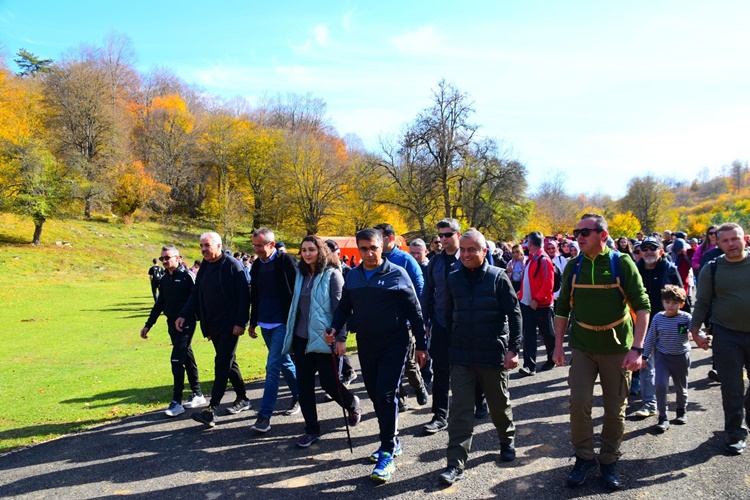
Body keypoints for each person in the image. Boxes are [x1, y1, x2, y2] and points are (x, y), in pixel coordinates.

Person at [553, 213, 650, 490]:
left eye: (585, 232)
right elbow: (562, 308)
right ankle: (584, 458)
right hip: (583, 346)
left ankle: (609, 461)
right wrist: (558, 345)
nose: (578, 237)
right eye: (577, 232)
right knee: (579, 403)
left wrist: (637, 348)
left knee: (615, 409)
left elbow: (642, 305)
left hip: (617, 348)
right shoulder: (574, 265)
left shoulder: (622, 263)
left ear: (603, 235)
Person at [329, 228, 427, 482]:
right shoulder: (353, 276)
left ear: (381, 246)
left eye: (373, 247)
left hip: (394, 343)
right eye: (364, 249)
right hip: (366, 343)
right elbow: (344, 307)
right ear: (358, 250)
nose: (369, 253)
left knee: (385, 394)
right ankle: (393, 441)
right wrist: (334, 327)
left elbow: (415, 311)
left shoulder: (397, 273)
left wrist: (422, 345)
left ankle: (387, 452)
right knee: (374, 394)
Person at [438, 229, 522, 485]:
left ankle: (506, 441)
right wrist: (450, 347)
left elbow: (515, 314)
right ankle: (455, 463)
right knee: (460, 411)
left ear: (484, 251)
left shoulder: (498, 277)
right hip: (462, 357)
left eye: (472, 250)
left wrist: (514, 349)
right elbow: (449, 314)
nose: (466, 254)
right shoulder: (453, 278)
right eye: (463, 250)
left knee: (499, 405)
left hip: (491, 355)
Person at [282, 236, 361, 448]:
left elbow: (341, 309)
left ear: (321, 251)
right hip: (301, 338)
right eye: (303, 250)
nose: (307, 254)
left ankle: (351, 403)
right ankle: (312, 430)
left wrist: (340, 338)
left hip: (326, 339)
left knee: (329, 383)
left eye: (311, 249)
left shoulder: (332, 274)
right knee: (304, 386)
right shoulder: (300, 274)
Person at [176, 232, 251, 428]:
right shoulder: (205, 266)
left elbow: (244, 295)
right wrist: (184, 314)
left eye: (207, 245)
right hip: (213, 324)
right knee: (229, 362)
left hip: (231, 324)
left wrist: (241, 322)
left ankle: (211, 409)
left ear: (218, 245)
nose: (203, 249)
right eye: (201, 246)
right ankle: (243, 398)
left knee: (222, 362)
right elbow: (196, 294)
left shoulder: (232, 265)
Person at [692, 223, 750, 455]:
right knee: (732, 386)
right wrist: (695, 330)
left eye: (735, 239)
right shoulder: (712, 268)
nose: (731, 244)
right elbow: (702, 302)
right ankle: (735, 433)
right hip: (726, 334)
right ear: (718, 243)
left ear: (744, 238)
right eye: (725, 241)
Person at [141, 245, 205, 417]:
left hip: (186, 322)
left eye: (167, 257)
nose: (164, 261)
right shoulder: (164, 279)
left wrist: (205, 325)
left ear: (178, 258)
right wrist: (148, 325)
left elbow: (198, 299)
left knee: (176, 359)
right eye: (162, 258)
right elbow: (160, 304)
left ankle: (177, 401)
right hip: (171, 323)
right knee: (186, 355)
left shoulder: (187, 276)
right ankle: (198, 393)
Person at [248, 227, 301, 433]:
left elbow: (297, 291)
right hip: (265, 323)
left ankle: (264, 416)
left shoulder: (286, 261)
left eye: (260, 245)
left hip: (283, 323)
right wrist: (253, 322)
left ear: (271, 244)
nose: (257, 249)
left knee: (272, 367)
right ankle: (300, 395)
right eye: (254, 245)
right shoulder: (256, 265)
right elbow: (255, 296)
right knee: (284, 363)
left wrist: (297, 320)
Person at [373, 223, 428, 412]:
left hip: (404, 322)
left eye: (379, 238)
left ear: (389, 238)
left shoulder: (405, 259)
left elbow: (419, 288)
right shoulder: (375, 260)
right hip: (382, 323)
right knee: (388, 365)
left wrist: (412, 314)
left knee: (408, 363)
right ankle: (400, 398)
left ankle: (419, 386)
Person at [633, 236, 682, 418]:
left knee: (669, 365)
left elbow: (682, 298)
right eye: (644, 248)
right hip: (642, 324)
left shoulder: (669, 269)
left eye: (652, 248)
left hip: (667, 324)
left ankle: (677, 402)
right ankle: (649, 403)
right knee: (646, 365)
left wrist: (684, 330)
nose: (648, 252)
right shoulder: (634, 270)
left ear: (660, 251)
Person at [643, 285, 701, 433]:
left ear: (681, 304)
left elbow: (696, 331)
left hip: (681, 357)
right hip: (662, 357)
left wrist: (701, 338)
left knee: (681, 387)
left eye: (675, 303)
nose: (671, 306)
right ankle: (663, 416)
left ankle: (681, 410)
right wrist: (644, 356)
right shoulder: (658, 318)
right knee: (660, 385)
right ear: (663, 302)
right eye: (667, 302)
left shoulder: (685, 318)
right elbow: (650, 338)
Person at [518, 232, 556, 376]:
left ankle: (552, 359)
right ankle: (529, 366)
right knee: (529, 335)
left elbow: (548, 283)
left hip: (541, 305)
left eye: (527, 242)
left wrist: (537, 299)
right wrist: (521, 294)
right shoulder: (532, 259)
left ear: (531, 243)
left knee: (547, 334)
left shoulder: (543, 259)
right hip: (528, 304)